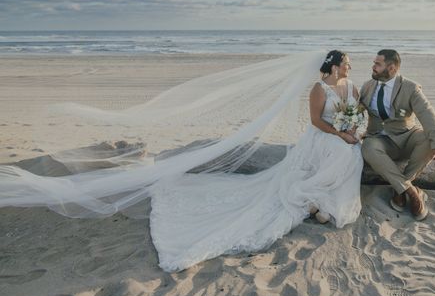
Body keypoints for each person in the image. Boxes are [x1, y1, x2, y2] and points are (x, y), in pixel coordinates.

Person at [0, 50, 363, 272]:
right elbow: (316, 121)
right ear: (333, 66)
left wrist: (354, 130)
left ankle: (327, 196)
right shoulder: (319, 89)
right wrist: (341, 133)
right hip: (322, 136)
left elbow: (355, 112)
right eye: (346, 62)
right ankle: (317, 196)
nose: (350, 66)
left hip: (343, 137)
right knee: (339, 152)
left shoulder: (350, 86)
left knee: (352, 154)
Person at [360, 49, 435, 221]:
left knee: (429, 140)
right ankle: (411, 192)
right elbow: (355, 112)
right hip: (381, 140)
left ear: (391, 68)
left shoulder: (410, 88)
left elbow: (427, 114)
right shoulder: (368, 86)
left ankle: (399, 188)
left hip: (407, 136)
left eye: (378, 64)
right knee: (368, 147)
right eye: (374, 63)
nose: (373, 67)